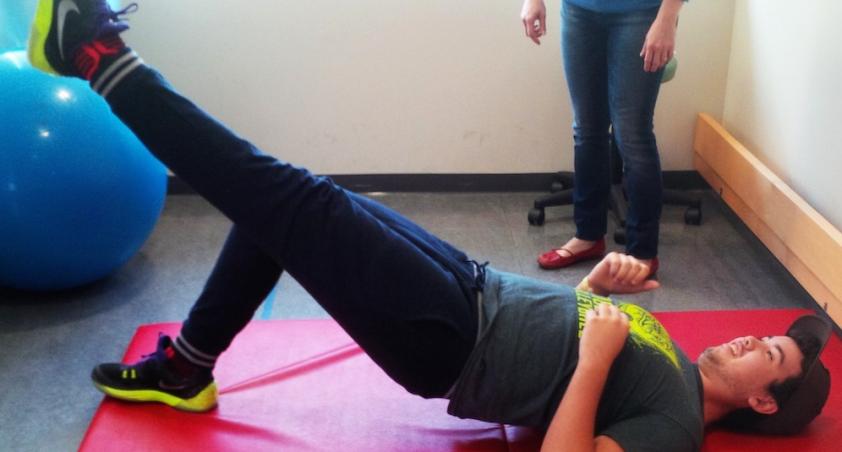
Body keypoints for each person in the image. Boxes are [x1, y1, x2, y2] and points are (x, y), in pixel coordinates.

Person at [28, 2, 832, 451]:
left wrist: (594, 356)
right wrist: (593, 291)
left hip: (452, 341)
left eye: (764, 353)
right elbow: (579, 349)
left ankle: (98, 60)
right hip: (475, 285)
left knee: (294, 201)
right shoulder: (676, 360)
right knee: (295, 209)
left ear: (764, 403)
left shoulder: (678, 428)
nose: (740, 341)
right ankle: (189, 366)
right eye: (758, 336)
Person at [521, 0, 685, 273]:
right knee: (586, 129)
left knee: (632, 135)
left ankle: (642, 253)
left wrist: (667, 19)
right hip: (578, 11)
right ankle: (588, 236)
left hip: (640, 13)